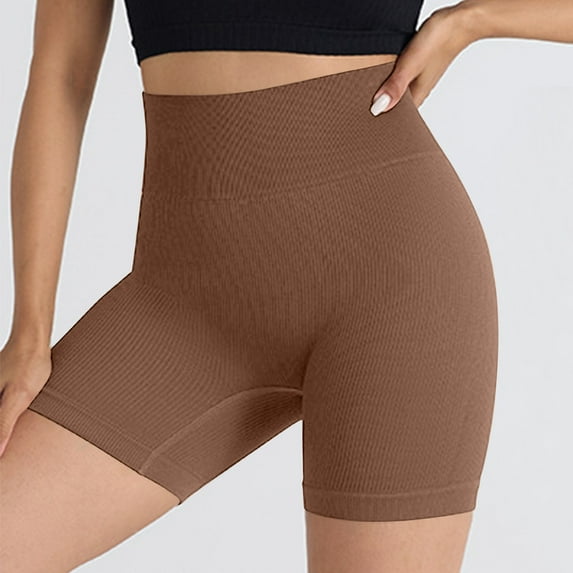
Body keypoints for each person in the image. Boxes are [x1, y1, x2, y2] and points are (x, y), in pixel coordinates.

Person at [1, 0, 570, 571]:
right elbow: (59, 75)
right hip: (181, 306)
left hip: (392, 285)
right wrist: (29, 333)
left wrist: (471, 20)